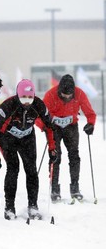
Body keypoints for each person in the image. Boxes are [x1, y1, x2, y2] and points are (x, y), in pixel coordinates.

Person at [0, 79, 57, 220]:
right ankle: (9, 207)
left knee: (31, 170)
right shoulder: (8, 105)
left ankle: (33, 206)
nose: (27, 102)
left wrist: (52, 149)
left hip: (27, 137)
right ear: (17, 95)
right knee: (13, 168)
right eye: (23, 97)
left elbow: (50, 126)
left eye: (30, 98)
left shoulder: (38, 105)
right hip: (7, 137)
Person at [39, 74, 96, 202]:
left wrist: (90, 123)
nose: (66, 98)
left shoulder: (80, 94)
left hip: (71, 126)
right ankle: (54, 188)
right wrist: (43, 125)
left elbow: (89, 112)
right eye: (64, 95)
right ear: (59, 90)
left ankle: (75, 187)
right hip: (54, 127)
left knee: (74, 155)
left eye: (69, 96)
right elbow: (39, 114)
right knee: (55, 156)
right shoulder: (50, 95)